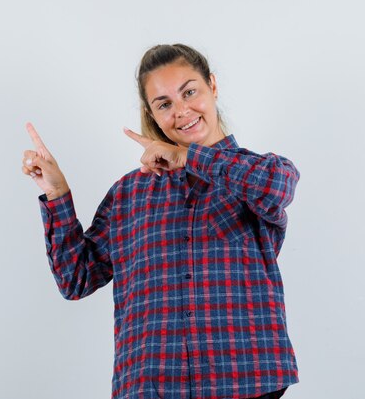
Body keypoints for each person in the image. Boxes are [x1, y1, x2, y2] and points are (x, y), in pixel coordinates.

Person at [21, 44, 300, 399]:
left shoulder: (257, 173)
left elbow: (278, 188)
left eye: (190, 91)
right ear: (151, 112)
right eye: (165, 103)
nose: (182, 111)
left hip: (246, 383)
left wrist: (189, 157)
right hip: (153, 385)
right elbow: (76, 278)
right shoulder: (129, 194)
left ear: (212, 86)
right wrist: (57, 192)